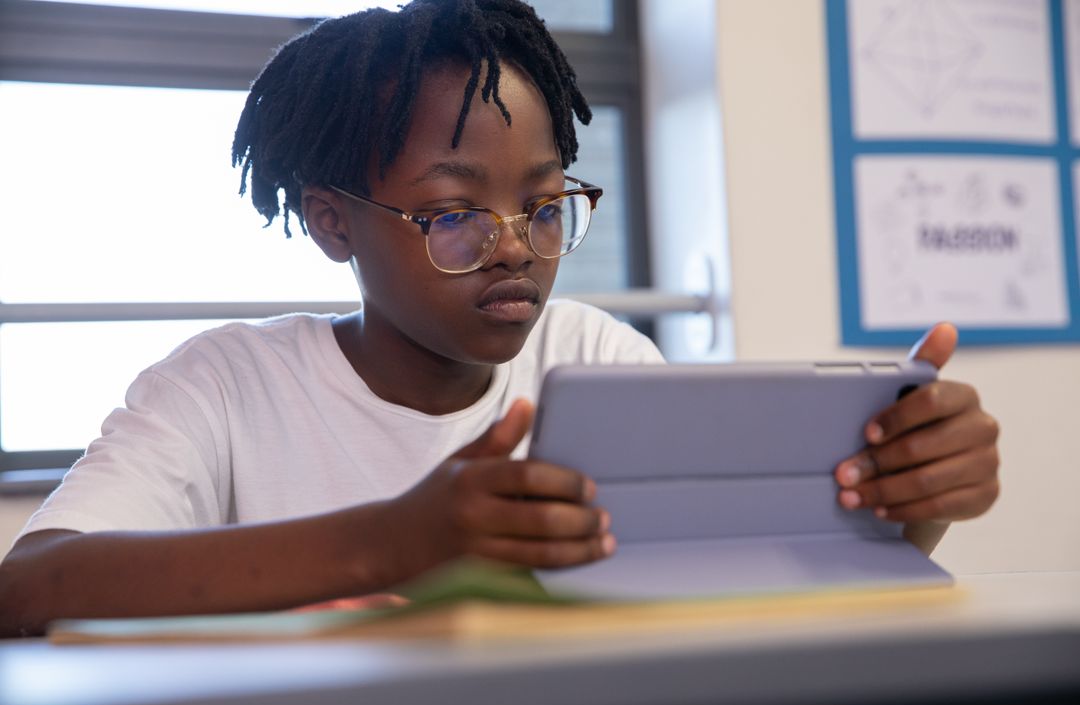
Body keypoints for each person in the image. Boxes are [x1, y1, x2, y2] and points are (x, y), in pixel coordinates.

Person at [0, 0, 999, 638]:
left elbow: (729, 593)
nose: (517, 244)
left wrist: (912, 495)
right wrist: (395, 541)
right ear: (333, 224)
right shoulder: (226, 386)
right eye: (453, 213)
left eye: (544, 203)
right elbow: (29, 589)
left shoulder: (596, 359)